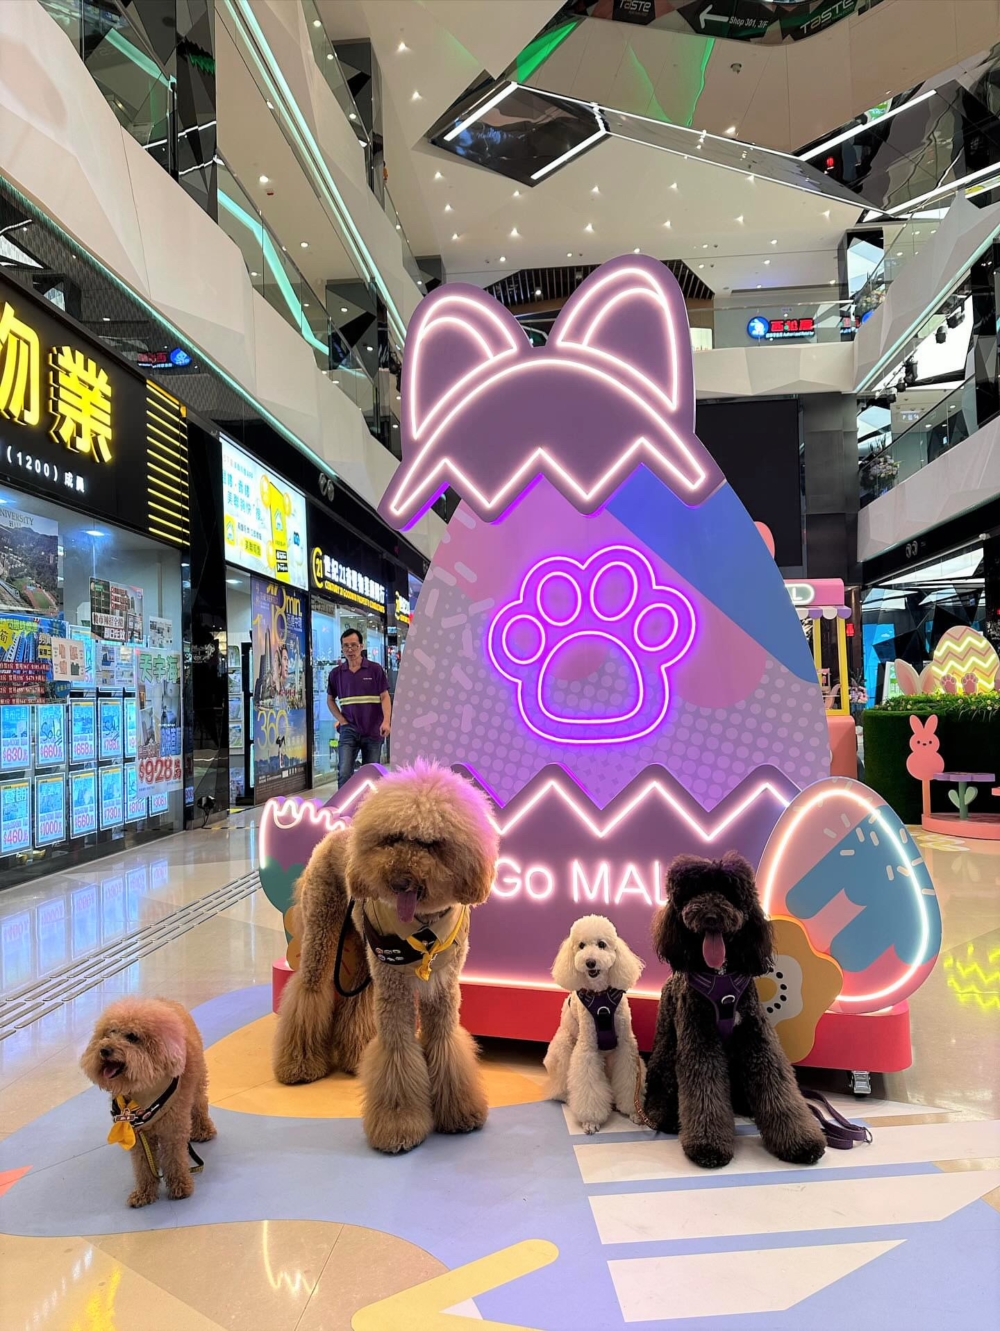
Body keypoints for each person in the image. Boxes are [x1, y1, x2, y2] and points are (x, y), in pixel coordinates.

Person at [327, 628, 391, 787]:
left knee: (371, 776)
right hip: (349, 730)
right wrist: (341, 720)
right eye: (346, 646)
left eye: (354, 645)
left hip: (373, 729)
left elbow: (384, 697)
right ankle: (343, 803)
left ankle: (370, 803)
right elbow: (330, 700)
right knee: (344, 772)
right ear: (342, 648)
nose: (350, 649)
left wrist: (386, 721)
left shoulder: (375, 669)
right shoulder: (336, 674)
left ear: (361, 646)